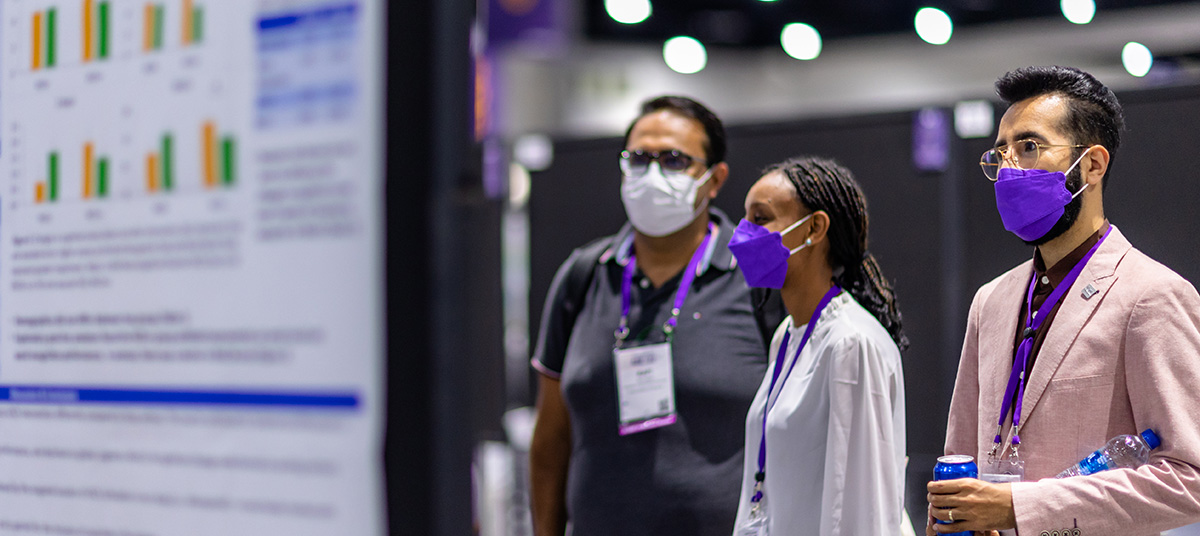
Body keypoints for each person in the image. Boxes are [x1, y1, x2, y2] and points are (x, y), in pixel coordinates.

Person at [927, 66, 1200, 536]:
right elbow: (963, 457)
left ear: (1093, 165)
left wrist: (1021, 506)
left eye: (1029, 147)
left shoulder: (1151, 296)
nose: (1009, 167)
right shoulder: (990, 302)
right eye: (1001, 151)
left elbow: (1189, 480)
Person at [528, 95, 783, 536]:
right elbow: (551, 442)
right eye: (639, 158)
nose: (652, 174)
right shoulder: (584, 275)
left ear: (714, 178)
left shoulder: (760, 272)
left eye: (674, 160)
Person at [728, 156, 909, 536]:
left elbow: (861, 509)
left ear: (814, 228)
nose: (741, 235)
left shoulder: (850, 343)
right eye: (744, 219)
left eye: (759, 219)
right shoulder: (787, 334)